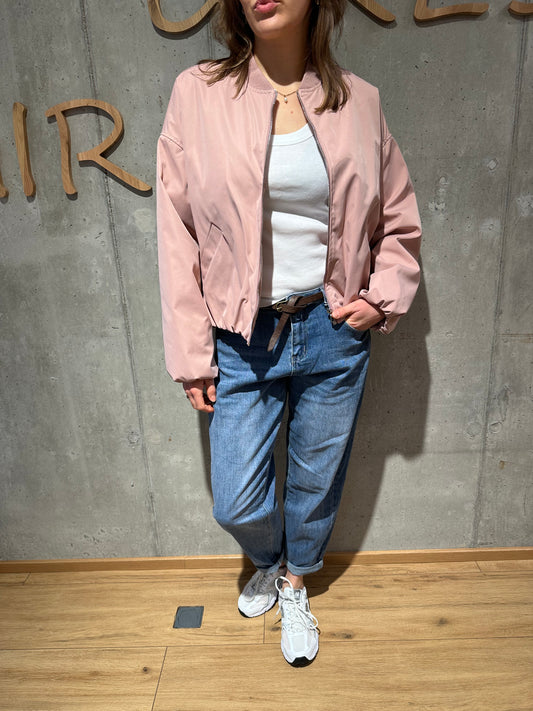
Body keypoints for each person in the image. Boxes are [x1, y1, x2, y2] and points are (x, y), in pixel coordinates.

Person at [156, 0, 421, 667]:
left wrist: (381, 297)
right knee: (235, 499)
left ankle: (296, 583)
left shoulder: (359, 102)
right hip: (242, 335)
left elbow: (397, 218)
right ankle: (270, 559)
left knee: (315, 479)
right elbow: (176, 232)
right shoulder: (197, 94)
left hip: (333, 331)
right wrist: (192, 353)